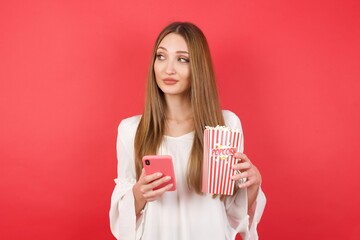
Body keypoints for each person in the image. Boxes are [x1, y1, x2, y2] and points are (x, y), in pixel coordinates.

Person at [109, 22, 266, 240]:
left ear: (198, 68)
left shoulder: (226, 125)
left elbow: (232, 212)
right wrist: (138, 194)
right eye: (161, 57)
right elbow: (122, 222)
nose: (168, 69)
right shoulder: (131, 130)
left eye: (182, 59)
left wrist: (252, 184)